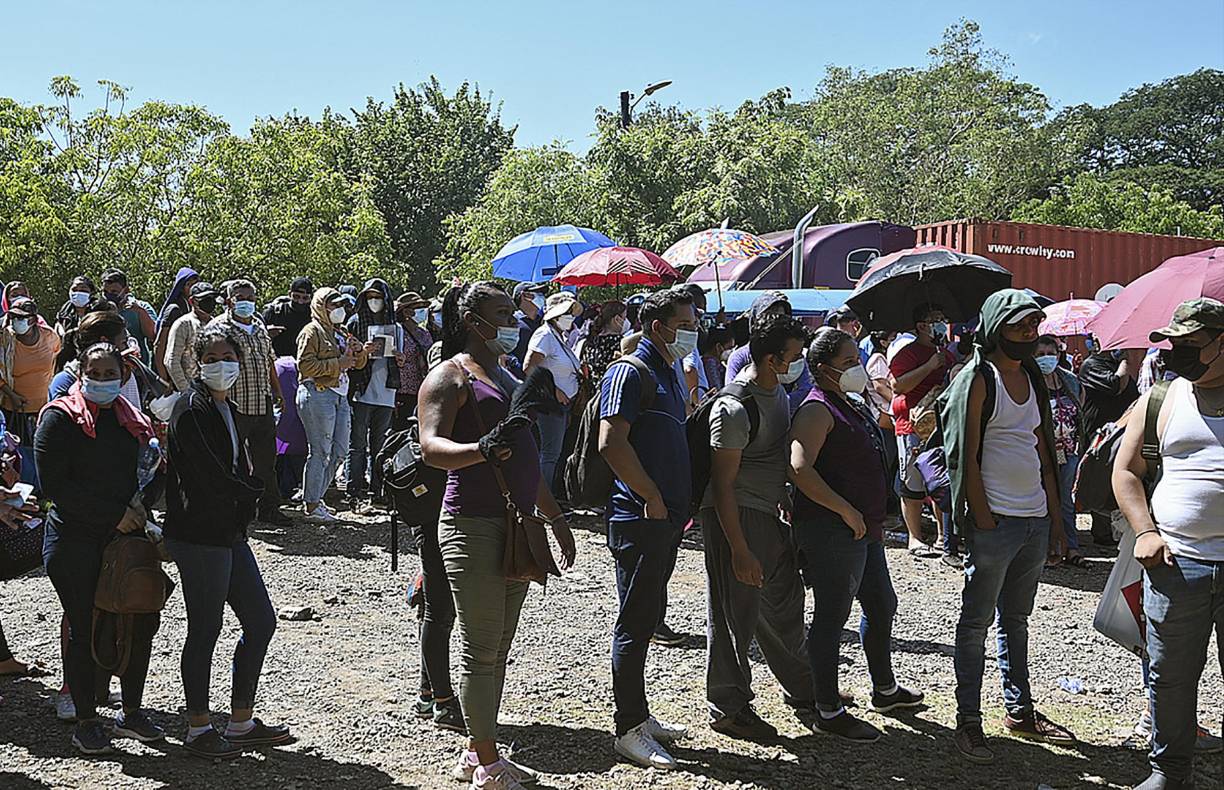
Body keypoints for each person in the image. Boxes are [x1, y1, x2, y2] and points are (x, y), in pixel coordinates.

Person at [418, 281, 575, 790]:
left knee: (499, 646)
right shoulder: (449, 375)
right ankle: (487, 764)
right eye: (503, 314)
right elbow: (431, 448)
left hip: (515, 522)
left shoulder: (506, 375)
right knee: (480, 649)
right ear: (473, 321)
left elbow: (524, 458)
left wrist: (555, 518)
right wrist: (481, 449)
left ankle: (476, 750)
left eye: (512, 312)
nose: (513, 322)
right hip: (471, 523)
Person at [939, 289, 1074, 764]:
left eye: (1034, 326)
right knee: (975, 623)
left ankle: (1020, 710)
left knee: (1016, 620)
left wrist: (1055, 520)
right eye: (1020, 327)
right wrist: (982, 517)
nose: (1030, 334)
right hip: (995, 523)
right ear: (996, 329)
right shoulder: (980, 379)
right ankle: (968, 721)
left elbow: (1043, 452)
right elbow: (965, 456)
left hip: (1033, 520)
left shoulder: (1033, 376)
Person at [163, 324, 291, 759]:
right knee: (205, 629)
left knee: (260, 622)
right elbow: (210, 475)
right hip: (199, 534)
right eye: (212, 359)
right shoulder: (190, 408)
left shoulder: (228, 408)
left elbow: (238, 467)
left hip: (229, 533)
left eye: (229, 358)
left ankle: (241, 722)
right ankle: (198, 727)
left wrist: (248, 497)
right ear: (197, 363)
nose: (222, 365)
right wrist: (254, 492)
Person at [790, 327, 924, 743]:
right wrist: (844, 509)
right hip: (833, 529)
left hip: (864, 529)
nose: (857, 368)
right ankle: (828, 709)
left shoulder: (849, 401)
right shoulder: (816, 409)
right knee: (832, 616)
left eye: (857, 360)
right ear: (822, 368)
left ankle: (884, 690)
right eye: (848, 362)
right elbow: (798, 468)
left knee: (881, 604)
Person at [1113, 298, 1224, 790]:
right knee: (1170, 677)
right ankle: (1169, 774)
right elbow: (1125, 471)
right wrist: (1145, 531)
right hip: (1177, 566)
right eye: (1174, 344)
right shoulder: (1161, 398)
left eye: (1191, 344)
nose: (1179, 354)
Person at [33, 342, 163, 754]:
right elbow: (55, 487)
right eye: (96, 374)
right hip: (74, 539)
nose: (103, 381)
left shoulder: (133, 420)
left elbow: (153, 471)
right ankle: (87, 721)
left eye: (111, 374)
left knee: (139, 620)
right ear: (81, 374)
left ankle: (132, 712)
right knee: (84, 628)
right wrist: (113, 515)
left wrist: (140, 507)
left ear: (123, 377)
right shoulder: (59, 419)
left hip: (124, 538)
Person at [702, 314, 814, 741]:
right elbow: (722, 485)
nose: (798, 363)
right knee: (736, 615)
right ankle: (729, 706)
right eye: (794, 356)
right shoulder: (734, 407)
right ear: (771, 360)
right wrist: (739, 549)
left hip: (768, 513)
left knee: (784, 604)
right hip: (739, 515)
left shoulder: (777, 391)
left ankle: (803, 686)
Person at [598, 287, 697, 770]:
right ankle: (629, 728)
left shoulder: (668, 371)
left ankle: (640, 715)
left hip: (664, 519)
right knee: (635, 624)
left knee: (648, 615)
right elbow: (611, 443)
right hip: (640, 518)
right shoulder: (629, 371)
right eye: (687, 325)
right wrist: (651, 496)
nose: (694, 332)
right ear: (658, 327)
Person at [210, 280, 290, 527]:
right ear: (229, 300)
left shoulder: (259, 326)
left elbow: (269, 362)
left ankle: (269, 509)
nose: (246, 302)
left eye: (250, 298)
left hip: (261, 402)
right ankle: (226, 509)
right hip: (233, 403)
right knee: (229, 459)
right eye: (240, 297)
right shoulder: (219, 328)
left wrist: (278, 391)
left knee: (266, 461)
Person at [296, 287, 371, 522]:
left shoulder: (341, 331)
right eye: (333, 305)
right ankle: (311, 505)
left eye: (341, 305)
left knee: (339, 451)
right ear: (321, 306)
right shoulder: (311, 331)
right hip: (317, 393)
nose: (339, 309)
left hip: (340, 394)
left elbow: (356, 364)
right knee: (320, 451)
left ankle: (316, 498)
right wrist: (338, 363)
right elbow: (305, 365)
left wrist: (360, 352)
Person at [889, 303, 956, 559]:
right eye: (935, 319)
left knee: (939, 480)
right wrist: (929, 366)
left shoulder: (946, 354)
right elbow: (898, 386)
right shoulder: (906, 354)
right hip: (912, 425)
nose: (941, 324)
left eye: (943, 318)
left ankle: (942, 535)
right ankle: (914, 537)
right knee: (913, 482)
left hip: (940, 426)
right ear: (921, 326)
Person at [1079, 337, 1140, 546]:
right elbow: (1115, 386)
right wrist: (1125, 361)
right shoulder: (1091, 365)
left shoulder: (1115, 365)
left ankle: (1118, 530)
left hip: (1121, 433)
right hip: (1099, 434)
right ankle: (1102, 532)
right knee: (1100, 478)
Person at [344, 279, 399, 508]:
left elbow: (400, 358)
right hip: (361, 390)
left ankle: (378, 490)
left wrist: (399, 358)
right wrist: (363, 353)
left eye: (377, 297)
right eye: (369, 297)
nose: (373, 301)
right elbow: (347, 358)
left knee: (380, 445)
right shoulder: (355, 322)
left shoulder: (395, 326)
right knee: (357, 445)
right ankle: (354, 490)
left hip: (386, 392)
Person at [524, 293, 583, 495]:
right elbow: (529, 368)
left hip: (562, 405)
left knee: (554, 454)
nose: (570, 317)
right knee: (550, 454)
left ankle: (549, 497)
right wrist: (553, 390)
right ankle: (543, 501)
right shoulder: (545, 335)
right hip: (550, 404)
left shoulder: (558, 336)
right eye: (566, 313)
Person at [1035, 335, 1086, 567]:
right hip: (1041, 452)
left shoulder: (1070, 380)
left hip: (1069, 450)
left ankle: (1070, 547)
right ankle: (1046, 549)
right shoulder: (1030, 382)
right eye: (1040, 354)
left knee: (1065, 499)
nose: (1046, 358)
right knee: (1044, 500)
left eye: (1050, 353)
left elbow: (1080, 407)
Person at [4, 298, 61, 488]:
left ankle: (44, 487)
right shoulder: (5, 339)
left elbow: (56, 360)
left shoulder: (49, 336)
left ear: (33, 319)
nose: (16, 321)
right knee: (17, 453)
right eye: (13, 317)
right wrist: (11, 395)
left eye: (21, 318)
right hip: (14, 407)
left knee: (44, 449)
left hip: (44, 406)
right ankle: (21, 487)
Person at [726, 292, 812, 414]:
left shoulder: (795, 355)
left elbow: (805, 388)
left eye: (781, 317)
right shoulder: (739, 357)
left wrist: (780, 403)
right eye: (769, 317)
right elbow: (732, 393)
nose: (775, 323)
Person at [164, 282, 219, 393]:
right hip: (192, 388)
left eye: (212, 298)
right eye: (204, 299)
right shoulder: (183, 324)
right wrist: (186, 390)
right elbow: (171, 360)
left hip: (214, 389)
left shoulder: (217, 324)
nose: (209, 302)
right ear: (192, 301)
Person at [392, 291, 433, 430]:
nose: (423, 311)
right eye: (418, 308)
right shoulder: (397, 332)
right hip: (402, 389)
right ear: (406, 312)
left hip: (421, 388)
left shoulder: (424, 333)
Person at [100, 270, 157, 366]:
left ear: (126, 290)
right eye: (105, 292)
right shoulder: (99, 310)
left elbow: (153, 335)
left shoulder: (141, 307)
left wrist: (141, 312)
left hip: (138, 365)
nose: (109, 295)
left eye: (114, 292)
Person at [152, 267, 200, 381]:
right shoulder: (175, 310)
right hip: (168, 373)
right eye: (189, 285)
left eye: (195, 284)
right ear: (182, 287)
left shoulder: (191, 308)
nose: (193, 288)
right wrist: (163, 377)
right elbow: (159, 345)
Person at [263, 277, 315, 359]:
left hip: (307, 361)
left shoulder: (314, 315)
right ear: (289, 294)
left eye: (305, 298)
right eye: (296, 296)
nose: (300, 301)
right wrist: (267, 332)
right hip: (279, 362)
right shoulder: (276, 312)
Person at [579, 300, 629, 384]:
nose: (626, 321)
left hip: (592, 389)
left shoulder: (590, 342)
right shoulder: (620, 342)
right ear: (616, 319)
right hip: (610, 387)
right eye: (624, 318)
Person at [509, 282, 547, 372]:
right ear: (524, 296)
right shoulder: (512, 322)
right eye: (537, 294)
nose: (541, 297)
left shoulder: (545, 321)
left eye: (541, 294)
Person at [698, 324, 734, 392]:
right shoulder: (710, 364)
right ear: (718, 347)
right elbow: (717, 389)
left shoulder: (712, 362)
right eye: (730, 348)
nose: (732, 351)